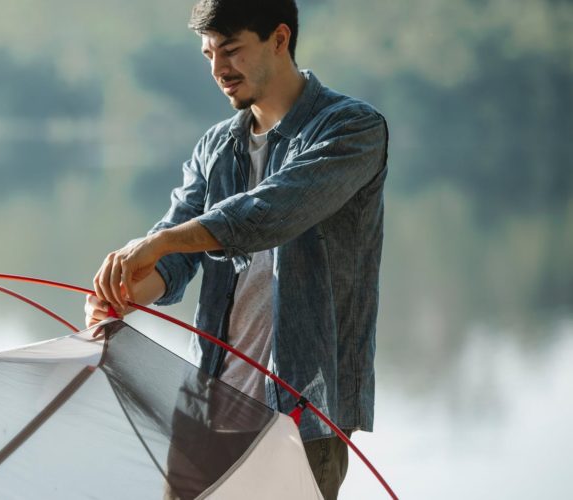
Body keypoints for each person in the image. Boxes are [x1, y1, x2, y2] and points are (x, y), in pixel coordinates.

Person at [86, 1, 388, 498]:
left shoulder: (351, 129)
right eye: (208, 54)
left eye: (231, 50)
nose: (218, 69)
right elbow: (177, 258)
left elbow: (268, 213)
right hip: (206, 407)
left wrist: (158, 241)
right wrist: (125, 291)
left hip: (301, 419)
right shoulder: (215, 146)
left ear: (280, 38)